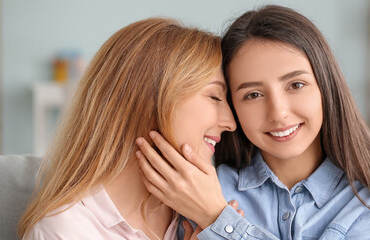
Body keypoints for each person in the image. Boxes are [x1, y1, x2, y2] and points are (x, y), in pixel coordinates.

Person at [136, 5, 370, 240]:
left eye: (295, 85)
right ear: (232, 106)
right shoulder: (201, 188)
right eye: (253, 94)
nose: (278, 113)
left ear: (326, 86)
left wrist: (217, 219)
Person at [17, 17, 238, 240]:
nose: (231, 122)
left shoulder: (203, 206)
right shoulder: (64, 230)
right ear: (148, 100)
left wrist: (215, 220)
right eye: (214, 96)